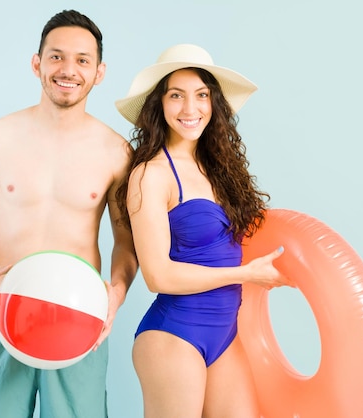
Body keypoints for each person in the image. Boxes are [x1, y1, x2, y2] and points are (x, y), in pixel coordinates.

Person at [0, 9, 138, 418]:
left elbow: (126, 241)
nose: (68, 69)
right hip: (2, 309)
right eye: (56, 56)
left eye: (82, 60)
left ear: (99, 72)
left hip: (81, 313)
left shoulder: (116, 153)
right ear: (37, 63)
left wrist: (116, 293)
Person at [114, 44, 293, 418]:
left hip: (224, 335)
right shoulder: (151, 175)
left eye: (202, 95)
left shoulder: (219, 169)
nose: (190, 109)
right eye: (176, 95)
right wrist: (245, 274)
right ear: (158, 105)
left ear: (214, 104)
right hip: (175, 333)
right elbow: (157, 275)